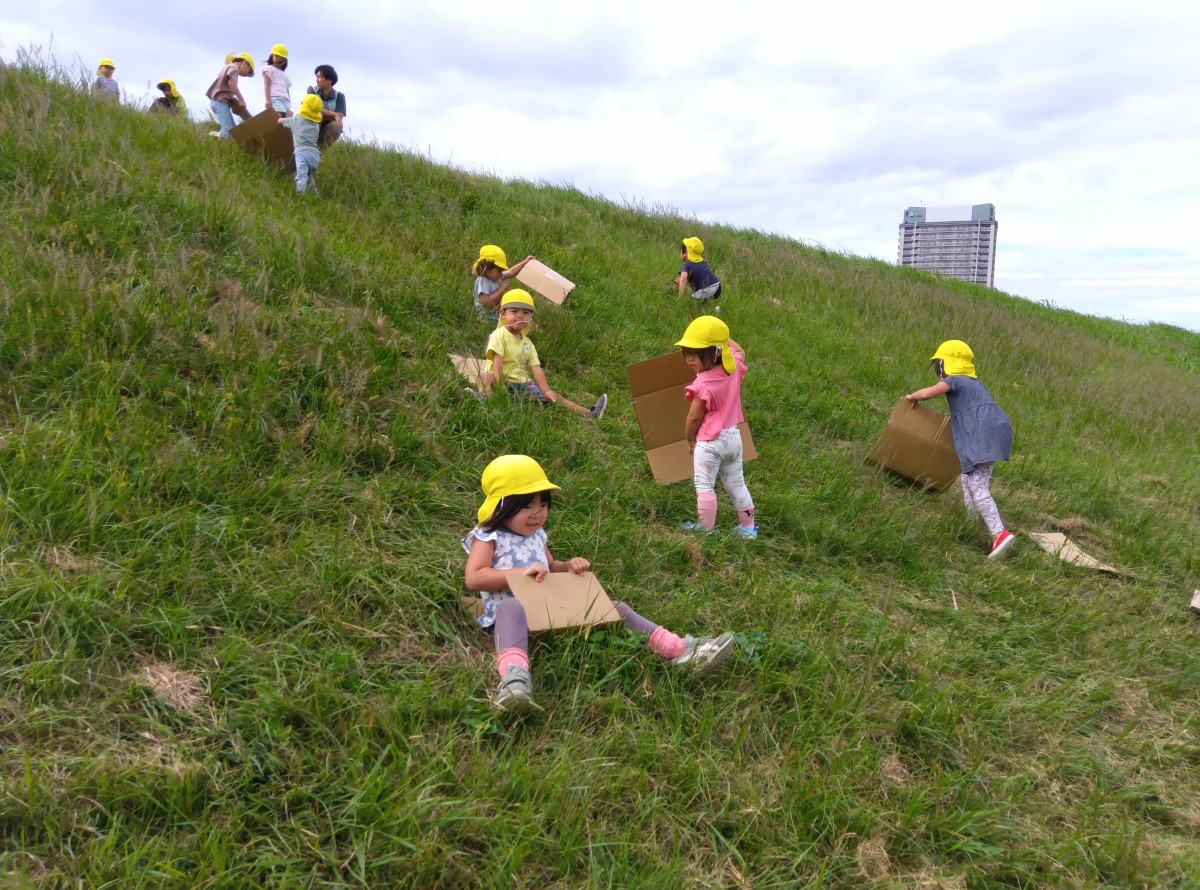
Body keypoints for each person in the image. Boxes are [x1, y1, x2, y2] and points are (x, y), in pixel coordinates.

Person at [464, 454, 737, 710]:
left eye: (543, 504)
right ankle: (515, 681)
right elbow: (474, 577)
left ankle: (679, 649)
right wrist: (517, 575)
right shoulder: (490, 537)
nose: (537, 513)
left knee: (615, 607)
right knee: (509, 610)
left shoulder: (538, 535)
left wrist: (567, 566)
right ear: (502, 505)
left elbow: (551, 567)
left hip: (551, 611)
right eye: (526, 506)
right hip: (515, 617)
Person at [905, 339, 1016, 560]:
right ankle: (969, 522)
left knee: (977, 485)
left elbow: (929, 393)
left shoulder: (956, 380)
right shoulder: (976, 384)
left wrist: (912, 396)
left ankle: (999, 533)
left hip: (982, 433)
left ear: (945, 364)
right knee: (969, 479)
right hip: (996, 429)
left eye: (938, 365)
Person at [676, 316, 757, 539]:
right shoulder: (734, 369)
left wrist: (690, 439)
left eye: (698, 353)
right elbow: (739, 350)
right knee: (736, 482)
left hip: (709, 441)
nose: (691, 358)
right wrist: (720, 338)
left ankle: (706, 530)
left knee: (704, 485)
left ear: (716, 351)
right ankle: (748, 528)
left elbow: (694, 417)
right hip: (733, 438)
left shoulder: (703, 383)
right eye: (687, 353)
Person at [481, 291, 607, 420]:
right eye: (514, 311)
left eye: (526, 313)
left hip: (522, 384)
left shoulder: (528, 343)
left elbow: (536, 368)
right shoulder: (499, 335)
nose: (520, 316)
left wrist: (546, 390)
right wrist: (501, 387)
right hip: (500, 380)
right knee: (485, 376)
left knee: (556, 397)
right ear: (503, 313)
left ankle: (590, 413)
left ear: (530, 317)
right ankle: (486, 400)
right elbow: (497, 363)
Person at [473, 245, 534, 323]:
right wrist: (501, 290)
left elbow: (511, 272)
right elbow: (486, 303)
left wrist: (525, 262)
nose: (501, 272)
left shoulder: (496, 276)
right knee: (513, 321)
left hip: (496, 312)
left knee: (518, 318)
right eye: (499, 269)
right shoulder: (482, 282)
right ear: (486, 267)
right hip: (487, 317)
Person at [278, 94, 324, 194]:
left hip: (302, 153)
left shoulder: (297, 119)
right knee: (309, 177)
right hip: (315, 155)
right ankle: (316, 195)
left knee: (301, 177)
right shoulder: (316, 125)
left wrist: (280, 118)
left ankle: (300, 196)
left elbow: (280, 121)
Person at [206, 52, 255, 139]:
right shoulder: (234, 68)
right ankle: (219, 143)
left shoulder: (228, 67)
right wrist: (241, 100)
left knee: (234, 131)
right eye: (249, 71)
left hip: (220, 102)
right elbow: (232, 85)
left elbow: (226, 89)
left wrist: (233, 106)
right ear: (245, 62)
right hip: (219, 102)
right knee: (228, 132)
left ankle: (215, 136)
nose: (246, 75)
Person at [306, 65, 346, 150]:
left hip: (327, 127)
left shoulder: (339, 96)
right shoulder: (312, 90)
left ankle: (320, 150)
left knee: (337, 125)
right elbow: (311, 107)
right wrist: (333, 114)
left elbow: (339, 117)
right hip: (311, 123)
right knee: (314, 116)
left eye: (320, 77)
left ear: (329, 80)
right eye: (316, 77)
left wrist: (321, 113)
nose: (317, 80)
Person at [677, 237, 722, 303]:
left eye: (681, 251)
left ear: (685, 253)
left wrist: (680, 297)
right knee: (702, 302)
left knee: (689, 304)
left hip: (707, 290)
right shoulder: (703, 262)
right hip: (717, 287)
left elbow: (684, 278)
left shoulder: (687, 264)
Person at [262, 43, 291, 115]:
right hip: (275, 97)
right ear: (272, 55)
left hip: (286, 100)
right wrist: (268, 99)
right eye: (276, 55)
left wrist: (289, 100)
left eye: (281, 57)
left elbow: (287, 89)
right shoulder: (268, 69)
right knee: (278, 118)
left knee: (285, 121)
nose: (278, 58)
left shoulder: (284, 75)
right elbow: (267, 84)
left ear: (284, 59)